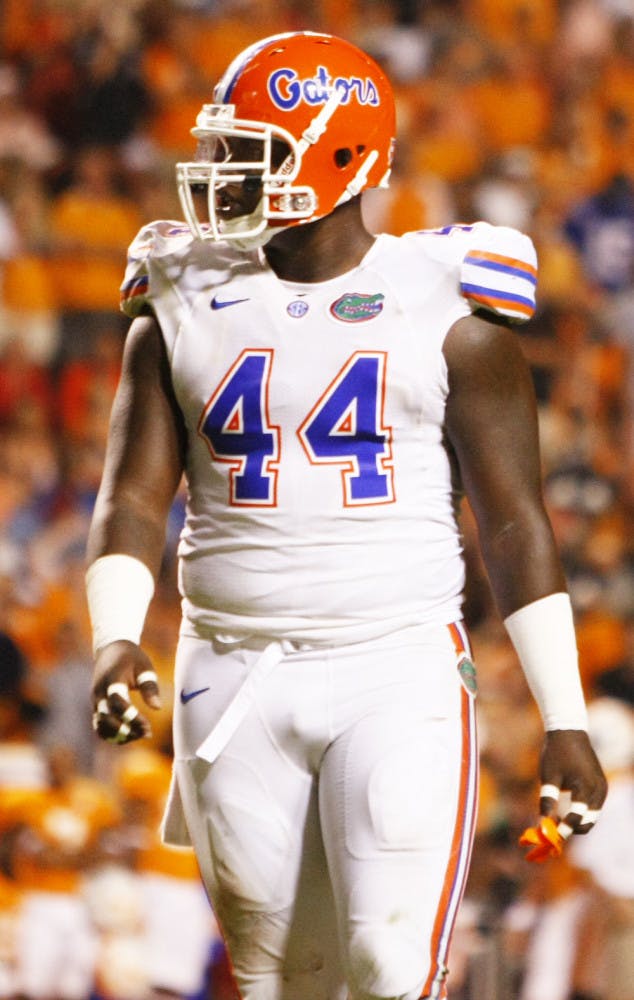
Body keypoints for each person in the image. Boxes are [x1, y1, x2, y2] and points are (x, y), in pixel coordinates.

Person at [86, 30, 607, 1000]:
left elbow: (513, 524)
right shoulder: (180, 294)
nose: (221, 171)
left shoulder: (442, 302)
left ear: (338, 154)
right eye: (222, 148)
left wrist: (563, 716)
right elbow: (132, 495)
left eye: (251, 151)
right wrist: (115, 635)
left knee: (387, 964)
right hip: (227, 666)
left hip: (394, 663)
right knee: (276, 978)